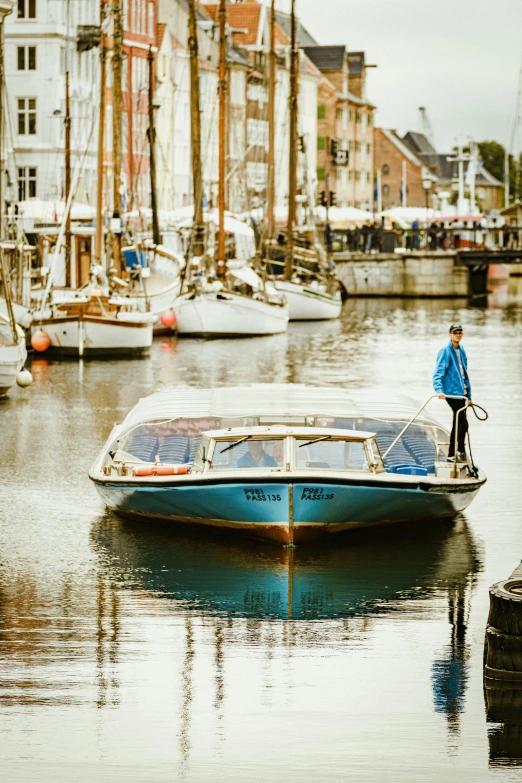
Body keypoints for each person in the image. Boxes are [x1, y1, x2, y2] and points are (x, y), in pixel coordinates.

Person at [432, 324, 471, 462]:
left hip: (461, 393)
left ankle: (450, 454)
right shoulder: (445, 351)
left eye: (460, 333)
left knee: (457, 423)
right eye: (455, 333)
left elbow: (465, 374)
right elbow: (438, 373)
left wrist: (469, 395)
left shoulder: (462, 350)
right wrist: (439, 391)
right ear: (450, 335)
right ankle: (460, 451)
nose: (458, 335)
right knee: (464, 424)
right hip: (451, 393)